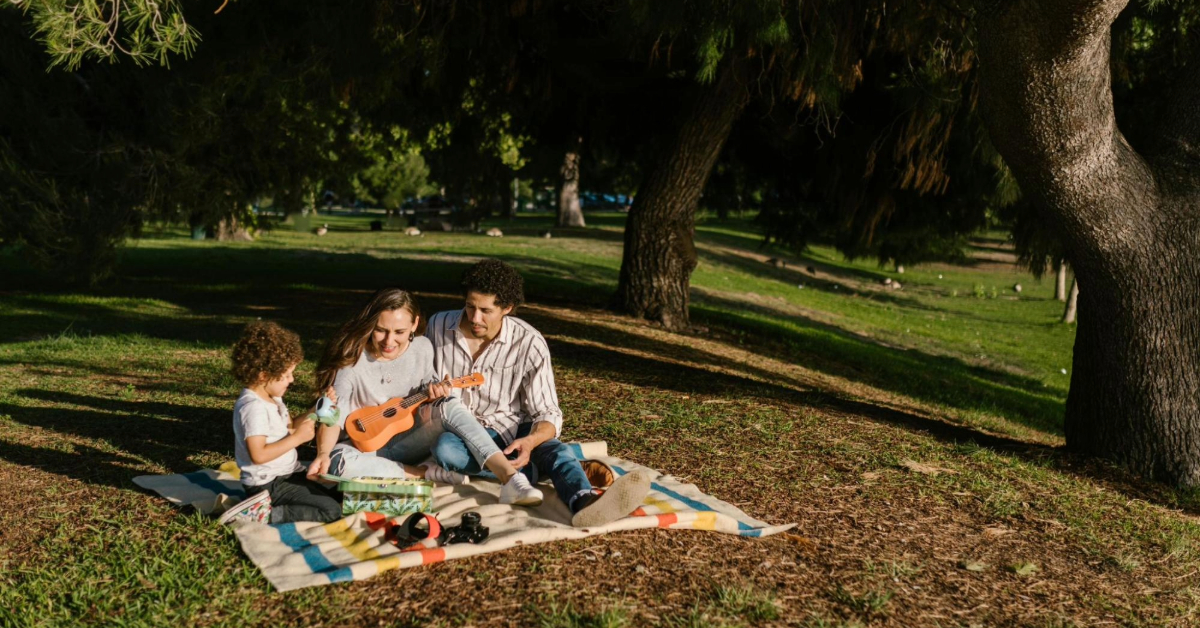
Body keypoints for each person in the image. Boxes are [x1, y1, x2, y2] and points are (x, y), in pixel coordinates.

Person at [428, 259, 651, 527]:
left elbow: (547, 412)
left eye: (486, 310)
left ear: (507, 308)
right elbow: (422, 377)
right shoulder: (438, 325)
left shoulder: (528, 342)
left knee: (551, 448)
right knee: (444, 451)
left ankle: (585, 501)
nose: (475, 318)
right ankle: (534, 471)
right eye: (470, 306)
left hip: (513, 429)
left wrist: (531, 442)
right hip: (462, 433)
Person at [305, 288, 543, 505]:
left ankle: (510, 478)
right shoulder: (353, 362)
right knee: (337, 463)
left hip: (410, 440)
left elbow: (429, 397)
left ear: (414, 324)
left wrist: (435, 394)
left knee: (448, 404)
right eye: (380, 330)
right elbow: (333, 417)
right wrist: (324, 454)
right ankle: (426, 472)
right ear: (370, 325)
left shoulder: (422, 348)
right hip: (363, 450)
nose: (389, 341)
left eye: (399, 332)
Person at [219, 321, 343, 526]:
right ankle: (262, 515)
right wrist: (296, 439)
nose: (292, 380)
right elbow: (258, 455)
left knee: (339, 494)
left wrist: (317, 409)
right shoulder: (253, 408)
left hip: (287, 474)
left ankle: (272, 507)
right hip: (268, 484)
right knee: (331, 511)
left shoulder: (272, 398)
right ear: (263, 376)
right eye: (286, 375)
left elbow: (290, 427)